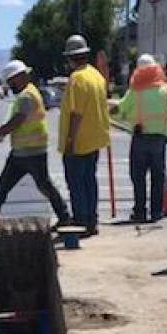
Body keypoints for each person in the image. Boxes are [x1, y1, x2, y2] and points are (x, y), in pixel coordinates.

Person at [0, 60, 70, 232]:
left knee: (42, 185)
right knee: (6, 185)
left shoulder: (26, 96)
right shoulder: (29, 92)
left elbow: (19, 119)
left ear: (19, 77)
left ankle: (64, 216)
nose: (10, 86)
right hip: (23, 151)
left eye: (11, 81)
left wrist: (2, 131)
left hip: (31, 151)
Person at [111, 53, 167, 222]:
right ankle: (156, 212)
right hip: (159, 138)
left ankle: (140, 211)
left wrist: (107, 110)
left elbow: (120, 108)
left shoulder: (135, 91)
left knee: (138, 176)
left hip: (140, 137)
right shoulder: (165, 90)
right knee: (158, 177)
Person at [58, 33, 111, 234]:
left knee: (76, 184)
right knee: (90, 181)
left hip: (79, 141)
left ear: (70, 58)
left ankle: (81, 220)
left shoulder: (77, 78)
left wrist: (70, 139)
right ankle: (91, 220)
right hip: (95, 139)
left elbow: (76, 113)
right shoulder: (96, 76)